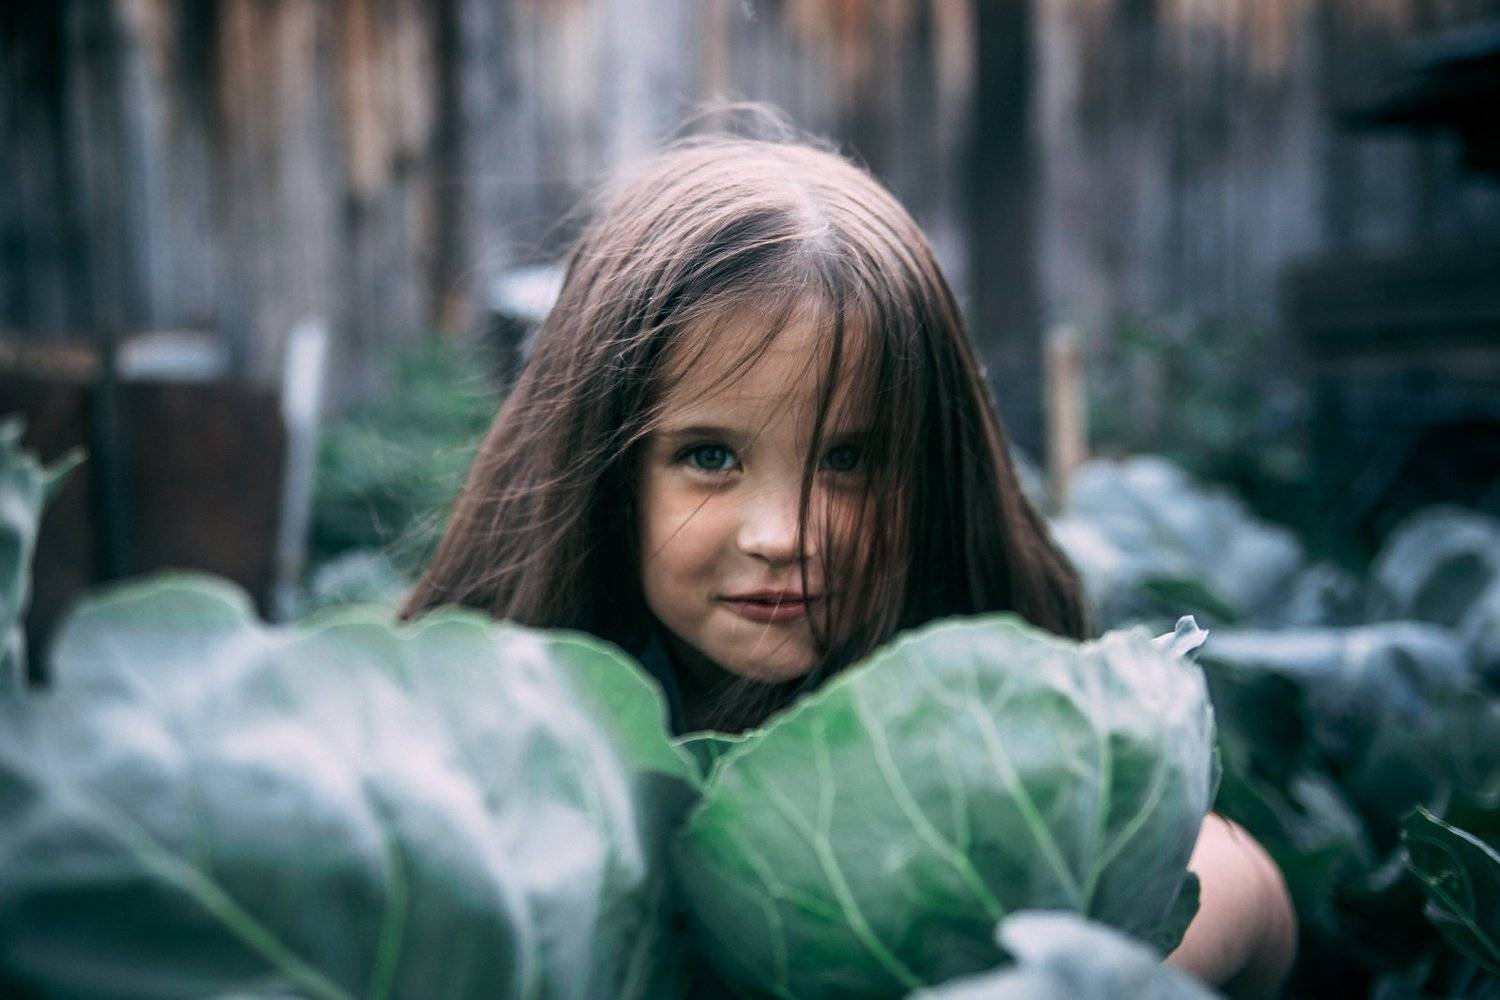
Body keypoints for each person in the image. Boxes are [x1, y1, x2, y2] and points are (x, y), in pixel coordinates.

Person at [402, 132, 1295, 997]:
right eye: (709, 456)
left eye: (850, 460)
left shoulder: (1002, 721)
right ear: (603, 475)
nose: (782, 535)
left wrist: (1089, 974)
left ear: (938, 475)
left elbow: (1252, 897)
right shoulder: (483, 756)